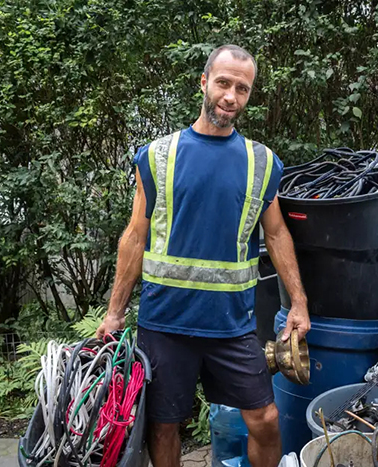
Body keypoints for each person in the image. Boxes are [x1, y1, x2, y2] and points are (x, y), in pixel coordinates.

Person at [96, 44, 310, 467]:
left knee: (265, 418)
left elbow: (278, 232)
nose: (231, 96)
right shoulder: (158, 156)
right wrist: (115, 311)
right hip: (165, 322)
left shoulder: (261, 162)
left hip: (231, 325)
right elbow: (135, 236)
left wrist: (299, 303)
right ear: (204, 83)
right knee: (162, 425)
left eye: (242, 89)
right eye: (224, 83)